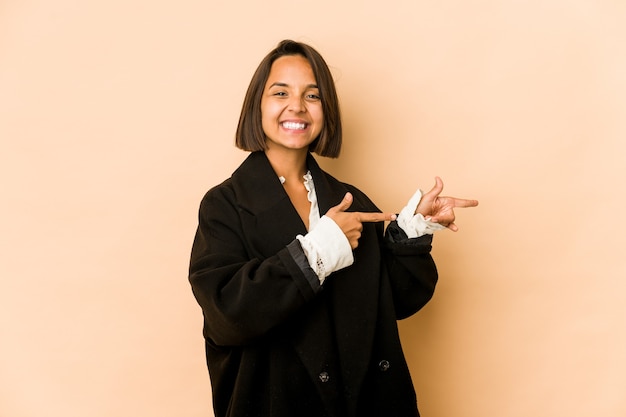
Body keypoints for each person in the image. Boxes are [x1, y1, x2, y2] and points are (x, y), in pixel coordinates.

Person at [189, 39, 478, 417]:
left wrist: (413, 230)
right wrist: (318, 252)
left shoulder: (349, 200)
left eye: (313, 95)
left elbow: (400, 301)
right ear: (256, 105)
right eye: (281, 92)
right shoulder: (224, 204)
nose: (297, 106)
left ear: (326, 111)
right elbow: (227, 314)